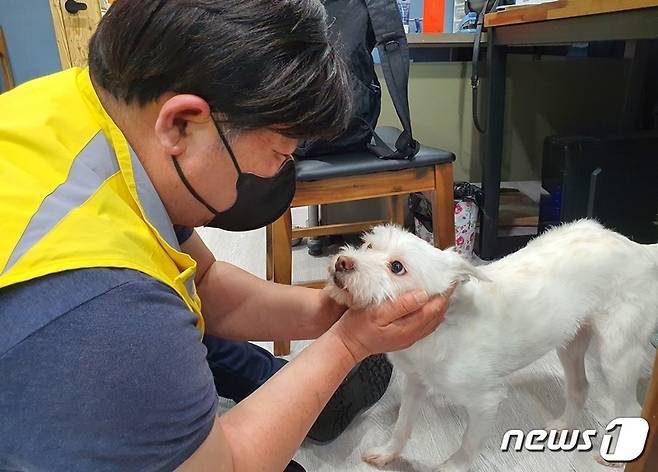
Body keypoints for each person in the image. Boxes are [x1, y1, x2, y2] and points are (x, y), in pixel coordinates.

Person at [0, 1, 454, 471]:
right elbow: (226, 465)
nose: (279, 172)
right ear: (181, 123)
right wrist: (348, 345)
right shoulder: (107, 305)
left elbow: (207, 281)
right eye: (279, 153)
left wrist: (326, 314)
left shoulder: (77, 108)